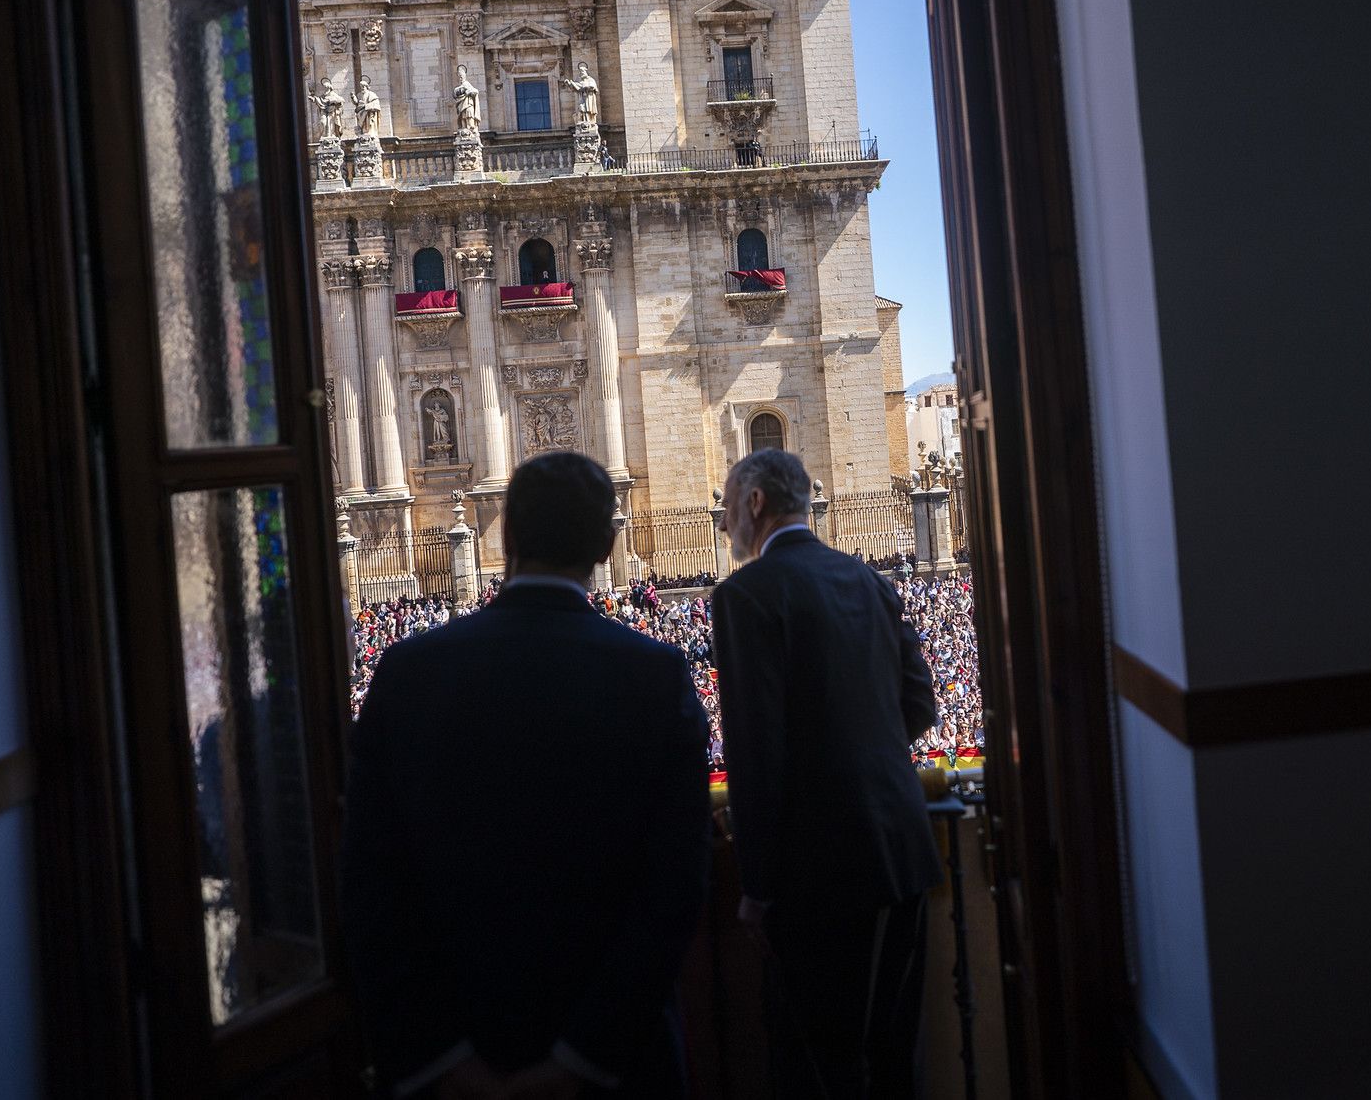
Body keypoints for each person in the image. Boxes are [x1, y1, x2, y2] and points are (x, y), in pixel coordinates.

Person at [341, 452, 712, 1099]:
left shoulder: (405, 673)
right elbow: (676, 890)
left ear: (505, 535)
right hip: (617, 1067)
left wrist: (443, 1060)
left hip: (453, 1060)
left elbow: (370, 885)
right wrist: (581, 1060)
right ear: (607, 542)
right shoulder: (654, 677)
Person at [711, 449, 941, 1099]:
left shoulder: (744, 595)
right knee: (896, 1056)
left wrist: (756, 885)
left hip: (818, 873)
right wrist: (858, 755)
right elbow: (919, 704)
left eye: (728, 507)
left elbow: (756, 749)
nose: (725, 522)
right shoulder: (868, 577)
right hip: (903, 848)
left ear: (755, 504)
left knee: (820, 1061)